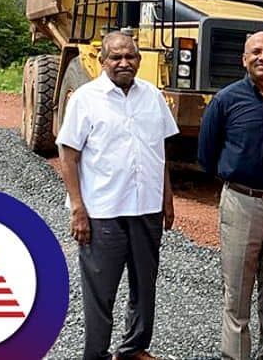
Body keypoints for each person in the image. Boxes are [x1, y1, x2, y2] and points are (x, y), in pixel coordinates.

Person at [56, 31, 179, 360]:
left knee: (145, 285)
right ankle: (96, 354)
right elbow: (68, 155)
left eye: (130, 57)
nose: (124, 62)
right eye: (116, 57)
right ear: (102, 60)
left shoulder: (153, 96)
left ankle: (134, 349)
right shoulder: (85, 99)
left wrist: (166, 198)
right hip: (102, 211)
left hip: (146, 208)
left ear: (139, 60)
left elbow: (160, 151)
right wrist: (78, 209)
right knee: (100, 290)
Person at [197, 31, 263, 360]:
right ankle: (236, 356)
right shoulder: (226, 100)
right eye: (255, 52)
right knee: (238, 291)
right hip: (242, 202)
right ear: (244, 59)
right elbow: (206, 153)